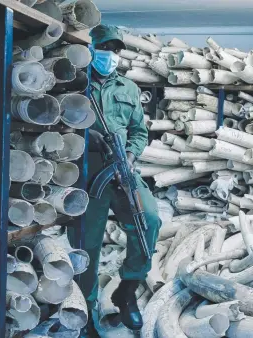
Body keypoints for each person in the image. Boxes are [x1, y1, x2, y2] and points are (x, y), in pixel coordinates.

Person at [70, 25, 162, 337]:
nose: (111, 54)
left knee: (147, 221)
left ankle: (126, 290)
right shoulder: (75, 82)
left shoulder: (129, 88)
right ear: (92, 47)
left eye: (116, 49)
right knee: (87, 243)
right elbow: (58, 120)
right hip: (86, 174)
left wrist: (132, 158)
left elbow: (139, 131)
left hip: (124, 169)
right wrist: (87, 134)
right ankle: (85, 310)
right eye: (105, 47)